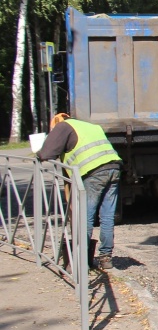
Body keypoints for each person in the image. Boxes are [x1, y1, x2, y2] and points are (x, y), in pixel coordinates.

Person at [36, 113, 122, 270]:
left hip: (94, 173)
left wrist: (38, 153)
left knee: (85, 218)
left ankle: (79, 261)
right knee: (107, 217)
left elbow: (46, 153)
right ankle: (106, 258)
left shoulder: (62, 127)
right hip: (114, 168)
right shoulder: (89, 126)